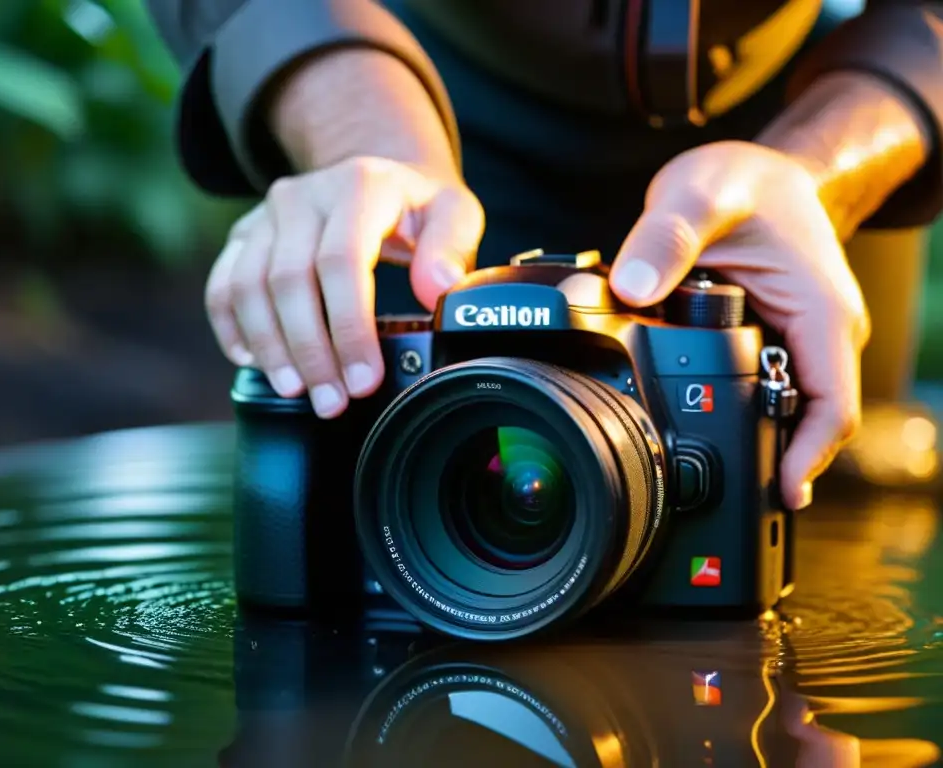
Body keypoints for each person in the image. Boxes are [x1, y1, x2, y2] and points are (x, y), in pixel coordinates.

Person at [146, 0, 942, 511]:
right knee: (394, 530)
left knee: (839, 543)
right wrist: (361, 135)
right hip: (403, 97)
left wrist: (819, 173)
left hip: (805, 143)